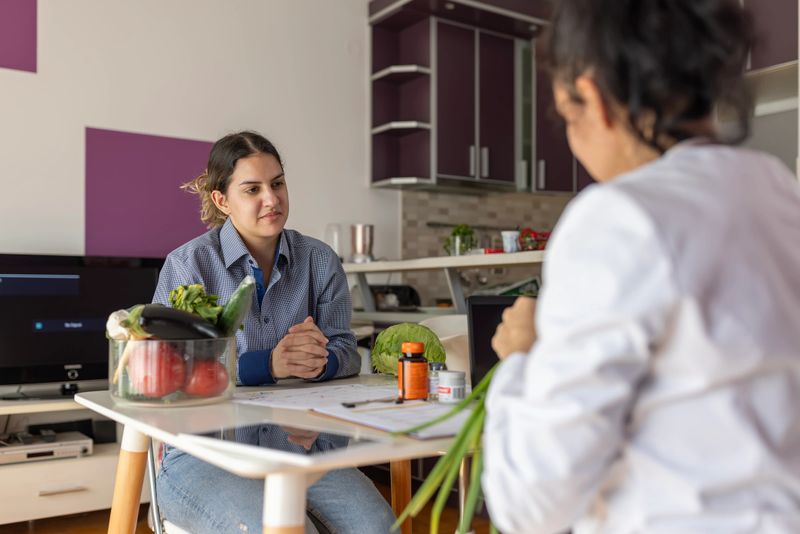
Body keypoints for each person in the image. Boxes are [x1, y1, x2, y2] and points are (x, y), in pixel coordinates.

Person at [483, 1, 800, 533]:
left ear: (594, 99)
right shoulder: (778, 190)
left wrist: (522, 360)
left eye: (565, 116)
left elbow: (533, 504)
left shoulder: (620, 218)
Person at [152, 131, 395, 533]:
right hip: (207, 453)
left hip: (301, 447)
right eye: (253, 189)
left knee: (380, 526)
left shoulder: (320, 260)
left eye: (278, 183)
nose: (273, 198)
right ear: (221, 200)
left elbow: (347, 350)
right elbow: (175, 373)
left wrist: (322, 360)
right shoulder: (187, 265)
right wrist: (269, 364)